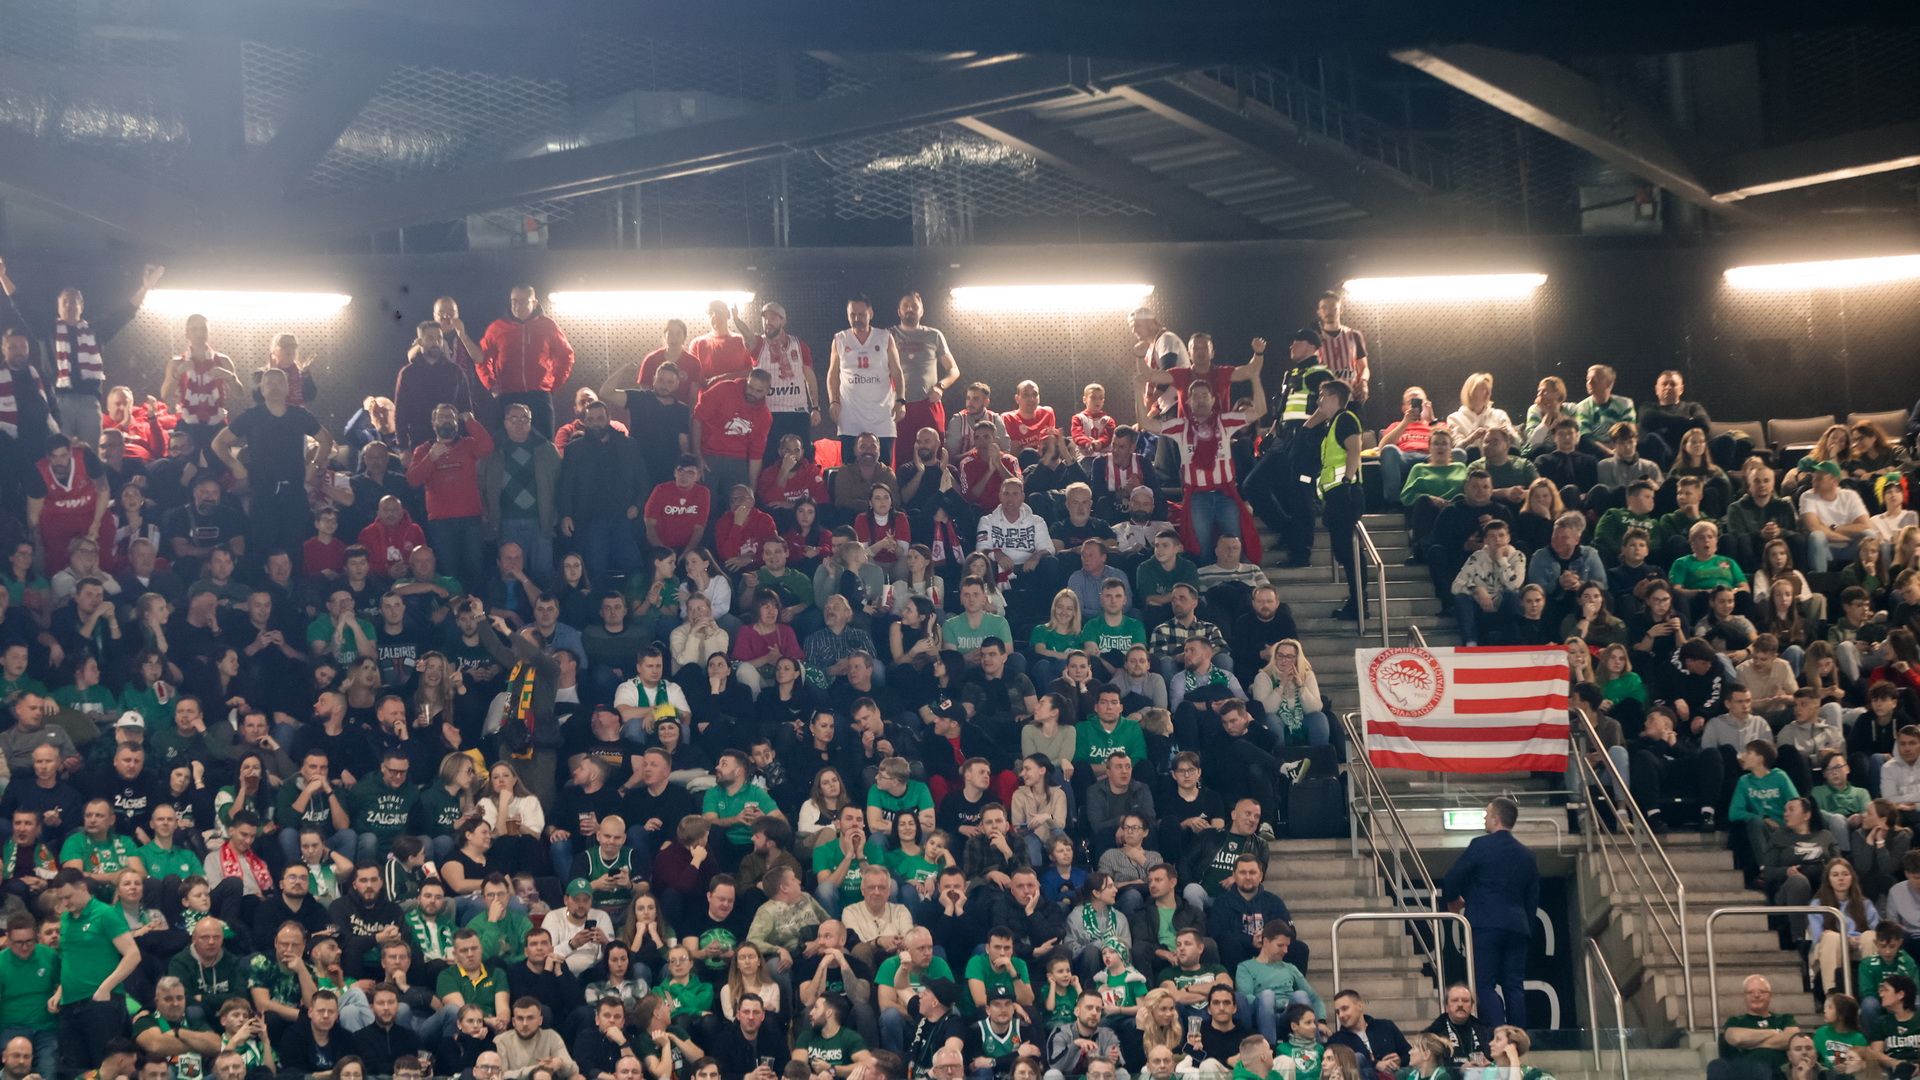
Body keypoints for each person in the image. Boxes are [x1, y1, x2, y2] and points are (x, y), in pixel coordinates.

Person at [1438, 798, 1537, 1030]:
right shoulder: (1527, 855)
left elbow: (1453, 877)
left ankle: (1499, 1032)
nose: (1484, 818)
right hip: (1518, 927)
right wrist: (1526, 927)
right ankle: (1517, 1038)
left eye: (1486, 814)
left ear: (1496, 818)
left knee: (1483, 984)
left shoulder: (1480, 846)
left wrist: (1452, 899)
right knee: (1514, 986)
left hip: (1485, 924)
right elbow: (1532, 898)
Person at [478, 286, 574, 438]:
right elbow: (482, 359)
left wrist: (553, 385)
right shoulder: (496, 328)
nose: (518, 305)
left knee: (544, 444)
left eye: (523, 301)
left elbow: (566, 356)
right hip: (507, 395)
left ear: (534, 303)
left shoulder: (548, 326)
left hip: (539, 396)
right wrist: (491, 385)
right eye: (514, 301)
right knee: (504, 445)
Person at [828, 297, 906, 466]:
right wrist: (833, 401)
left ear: (871, 313)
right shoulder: (840, 339)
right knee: (850, 468)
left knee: (883, 468)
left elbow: (897, 371)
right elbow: (832, 374)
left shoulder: (884, 337)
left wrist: (901, 400)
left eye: (862, 314)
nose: (857, 318)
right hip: (850, 415)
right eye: (852, 315)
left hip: (881, 414)